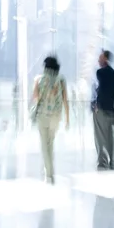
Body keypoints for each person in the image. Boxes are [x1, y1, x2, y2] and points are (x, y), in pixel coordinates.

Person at [32, 56, 69, 184]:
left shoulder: (39, 79)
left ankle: (49, 172)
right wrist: (67, 119)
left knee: (44, 145)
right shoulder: (61, 80)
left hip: (43, 115)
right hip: (56, 116)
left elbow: (35, 97)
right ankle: (49, 169)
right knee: (50, 143)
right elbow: (65, 100)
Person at [92, 50, 114, 170]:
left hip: (101, 110)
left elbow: (101, 90)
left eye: (100, 58)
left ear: (106, 59)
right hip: (111, 110)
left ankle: (102, 162)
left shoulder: (100, 73)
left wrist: (97, 105)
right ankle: (112, 161)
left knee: (99, 137)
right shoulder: (113, 74)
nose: (98, 60)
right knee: (109, 137)